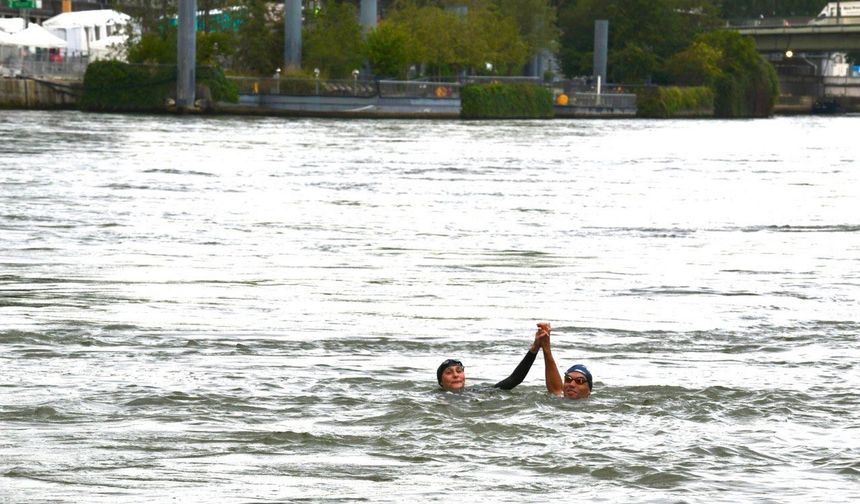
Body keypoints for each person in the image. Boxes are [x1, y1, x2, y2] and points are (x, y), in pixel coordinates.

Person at [436, 323, 549, 392]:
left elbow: (514, 379)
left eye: (459, 371)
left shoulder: (476, 393)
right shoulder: (433, 397)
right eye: (449, 372)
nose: (456, 375)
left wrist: (534, 349)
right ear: (441, 382)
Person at [538, 322, 593, 400]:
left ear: (589, 391)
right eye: (568, 379)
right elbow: (556, 390)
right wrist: (545, 345)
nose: (571, 384)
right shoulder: (559, 400)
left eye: (579, 381)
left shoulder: (598, 408)